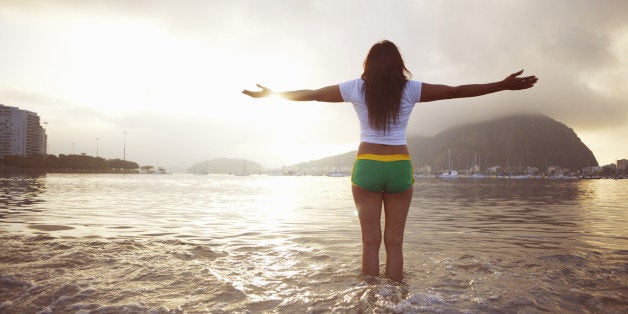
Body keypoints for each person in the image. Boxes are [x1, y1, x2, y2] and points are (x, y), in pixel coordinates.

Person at [242, 40, 537, 282]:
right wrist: (502, 85)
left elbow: (315, 95)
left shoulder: (356, 88)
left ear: (367, 65)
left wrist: (273, 95)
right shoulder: (410, 89)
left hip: (368, 165)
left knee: (370, 243)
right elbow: (456, 91)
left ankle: (371, 299)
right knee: (394, 244)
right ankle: (396, 302)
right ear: (399, 64)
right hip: (399, 167)